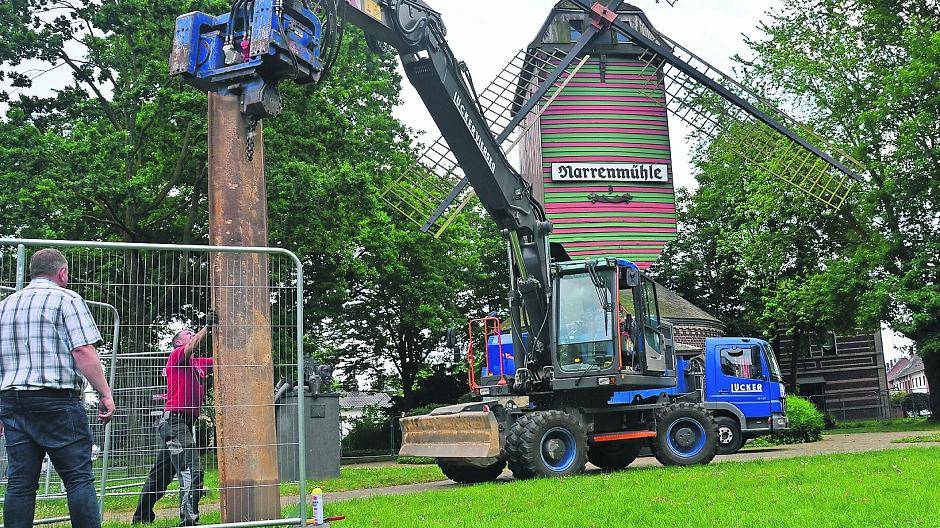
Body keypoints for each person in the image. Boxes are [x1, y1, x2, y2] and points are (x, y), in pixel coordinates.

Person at [0, 248, 115, 528]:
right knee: (77, 477)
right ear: (62, 273)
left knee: (20, 482)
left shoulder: (5, 304)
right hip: (56, 400)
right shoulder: (67, 299)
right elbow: (83, 351)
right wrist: (104, 393)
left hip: (13, 400)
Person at [133, 312, 217, 526]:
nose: (193, 334)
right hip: (174, 423)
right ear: (179, 342)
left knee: (160, 476)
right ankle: (189, 521)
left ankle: (140, 519)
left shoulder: (198, 364)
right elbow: (193, 346)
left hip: (183, 425)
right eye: (189, 333)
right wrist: (207, 328)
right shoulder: (177, 356)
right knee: (192, 469)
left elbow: (223, 361)